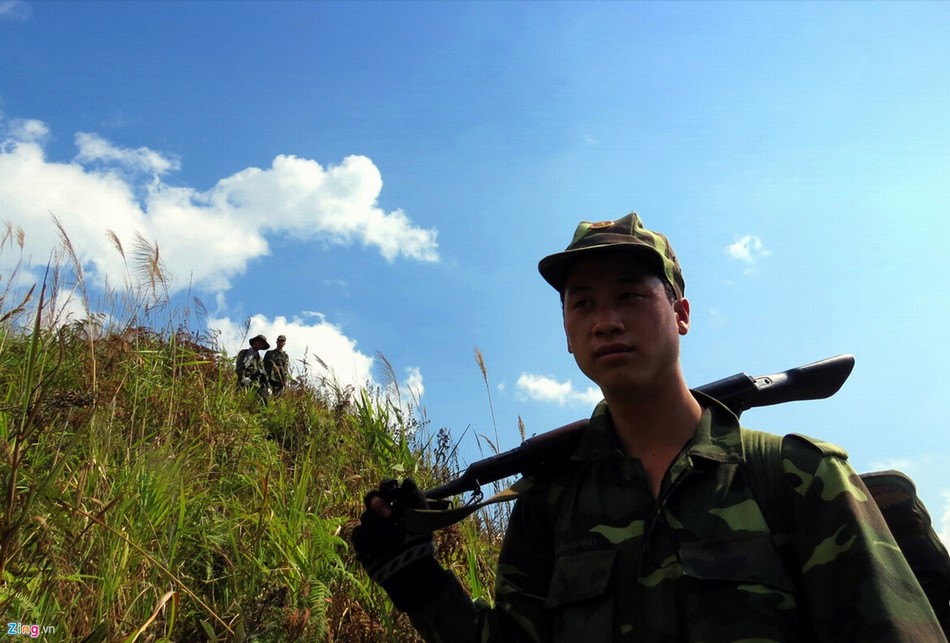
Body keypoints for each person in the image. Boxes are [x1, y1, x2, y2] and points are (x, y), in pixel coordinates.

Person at [352, 212, 946, 642]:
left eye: (631, 296)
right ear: (566, 333)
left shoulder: (796, 477)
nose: (606, 321)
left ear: (680, 314)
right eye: (582, 304)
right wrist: (418, 581)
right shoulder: (549, 506)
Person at [236, 334, 270, 404]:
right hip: (244, 383)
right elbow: (239, 366)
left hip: (255, 384)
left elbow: (263, 373)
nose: (260, 345)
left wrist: (268, 387)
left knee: (263, 397)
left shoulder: (259, 359)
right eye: (259, 342)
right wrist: (242, 378)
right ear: (255, 342)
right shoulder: (245, 353)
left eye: (262, 344)